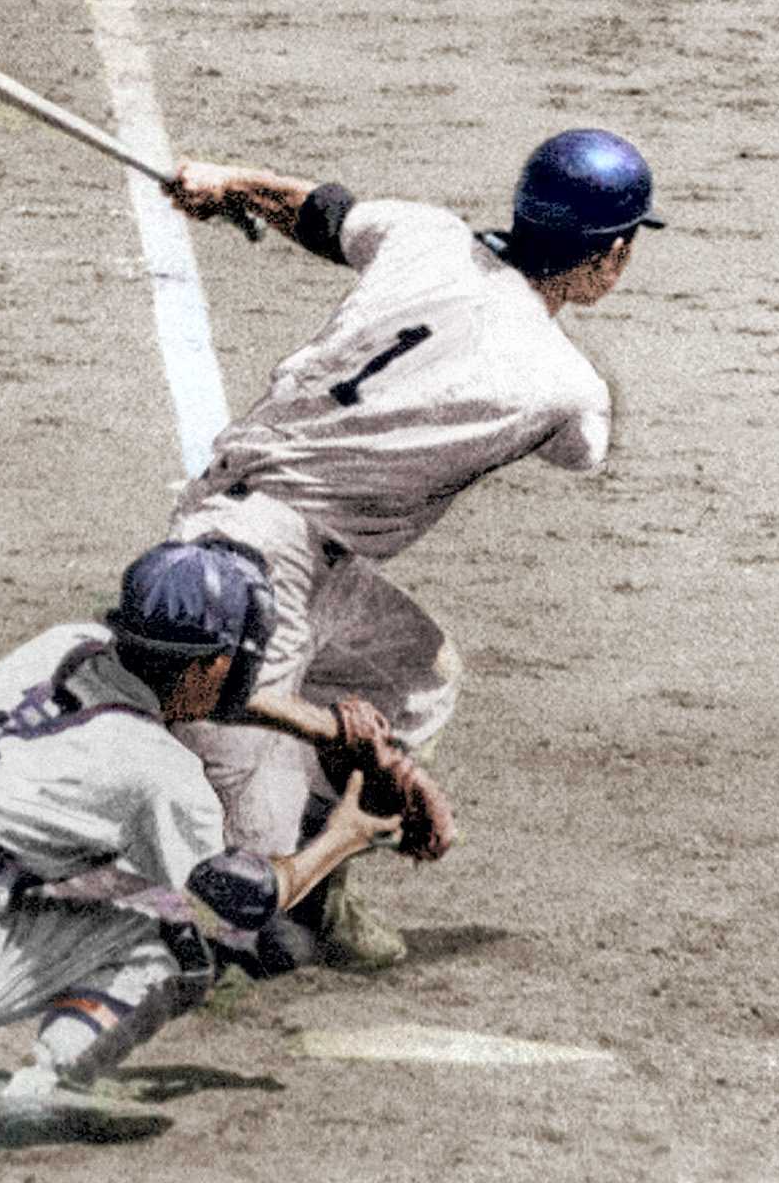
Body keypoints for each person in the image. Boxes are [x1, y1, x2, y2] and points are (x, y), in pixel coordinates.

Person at [160, 127, 665, 971]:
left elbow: (321, 213)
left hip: (252, 525)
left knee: (413, 680)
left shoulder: (423, 235)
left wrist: (230, 183)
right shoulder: (567, 390)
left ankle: (321, 892)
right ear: (609, 258)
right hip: (260, 571)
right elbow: (582, 449)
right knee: (234, 887)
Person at [0, 539, 414, 1140]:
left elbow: (182, 683)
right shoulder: (160, 774)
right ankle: (48, 1089)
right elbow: (241, 902)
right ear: (212, 667)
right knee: (173, 939)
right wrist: (346, 834)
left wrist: (318, 725)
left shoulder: (63, 643)